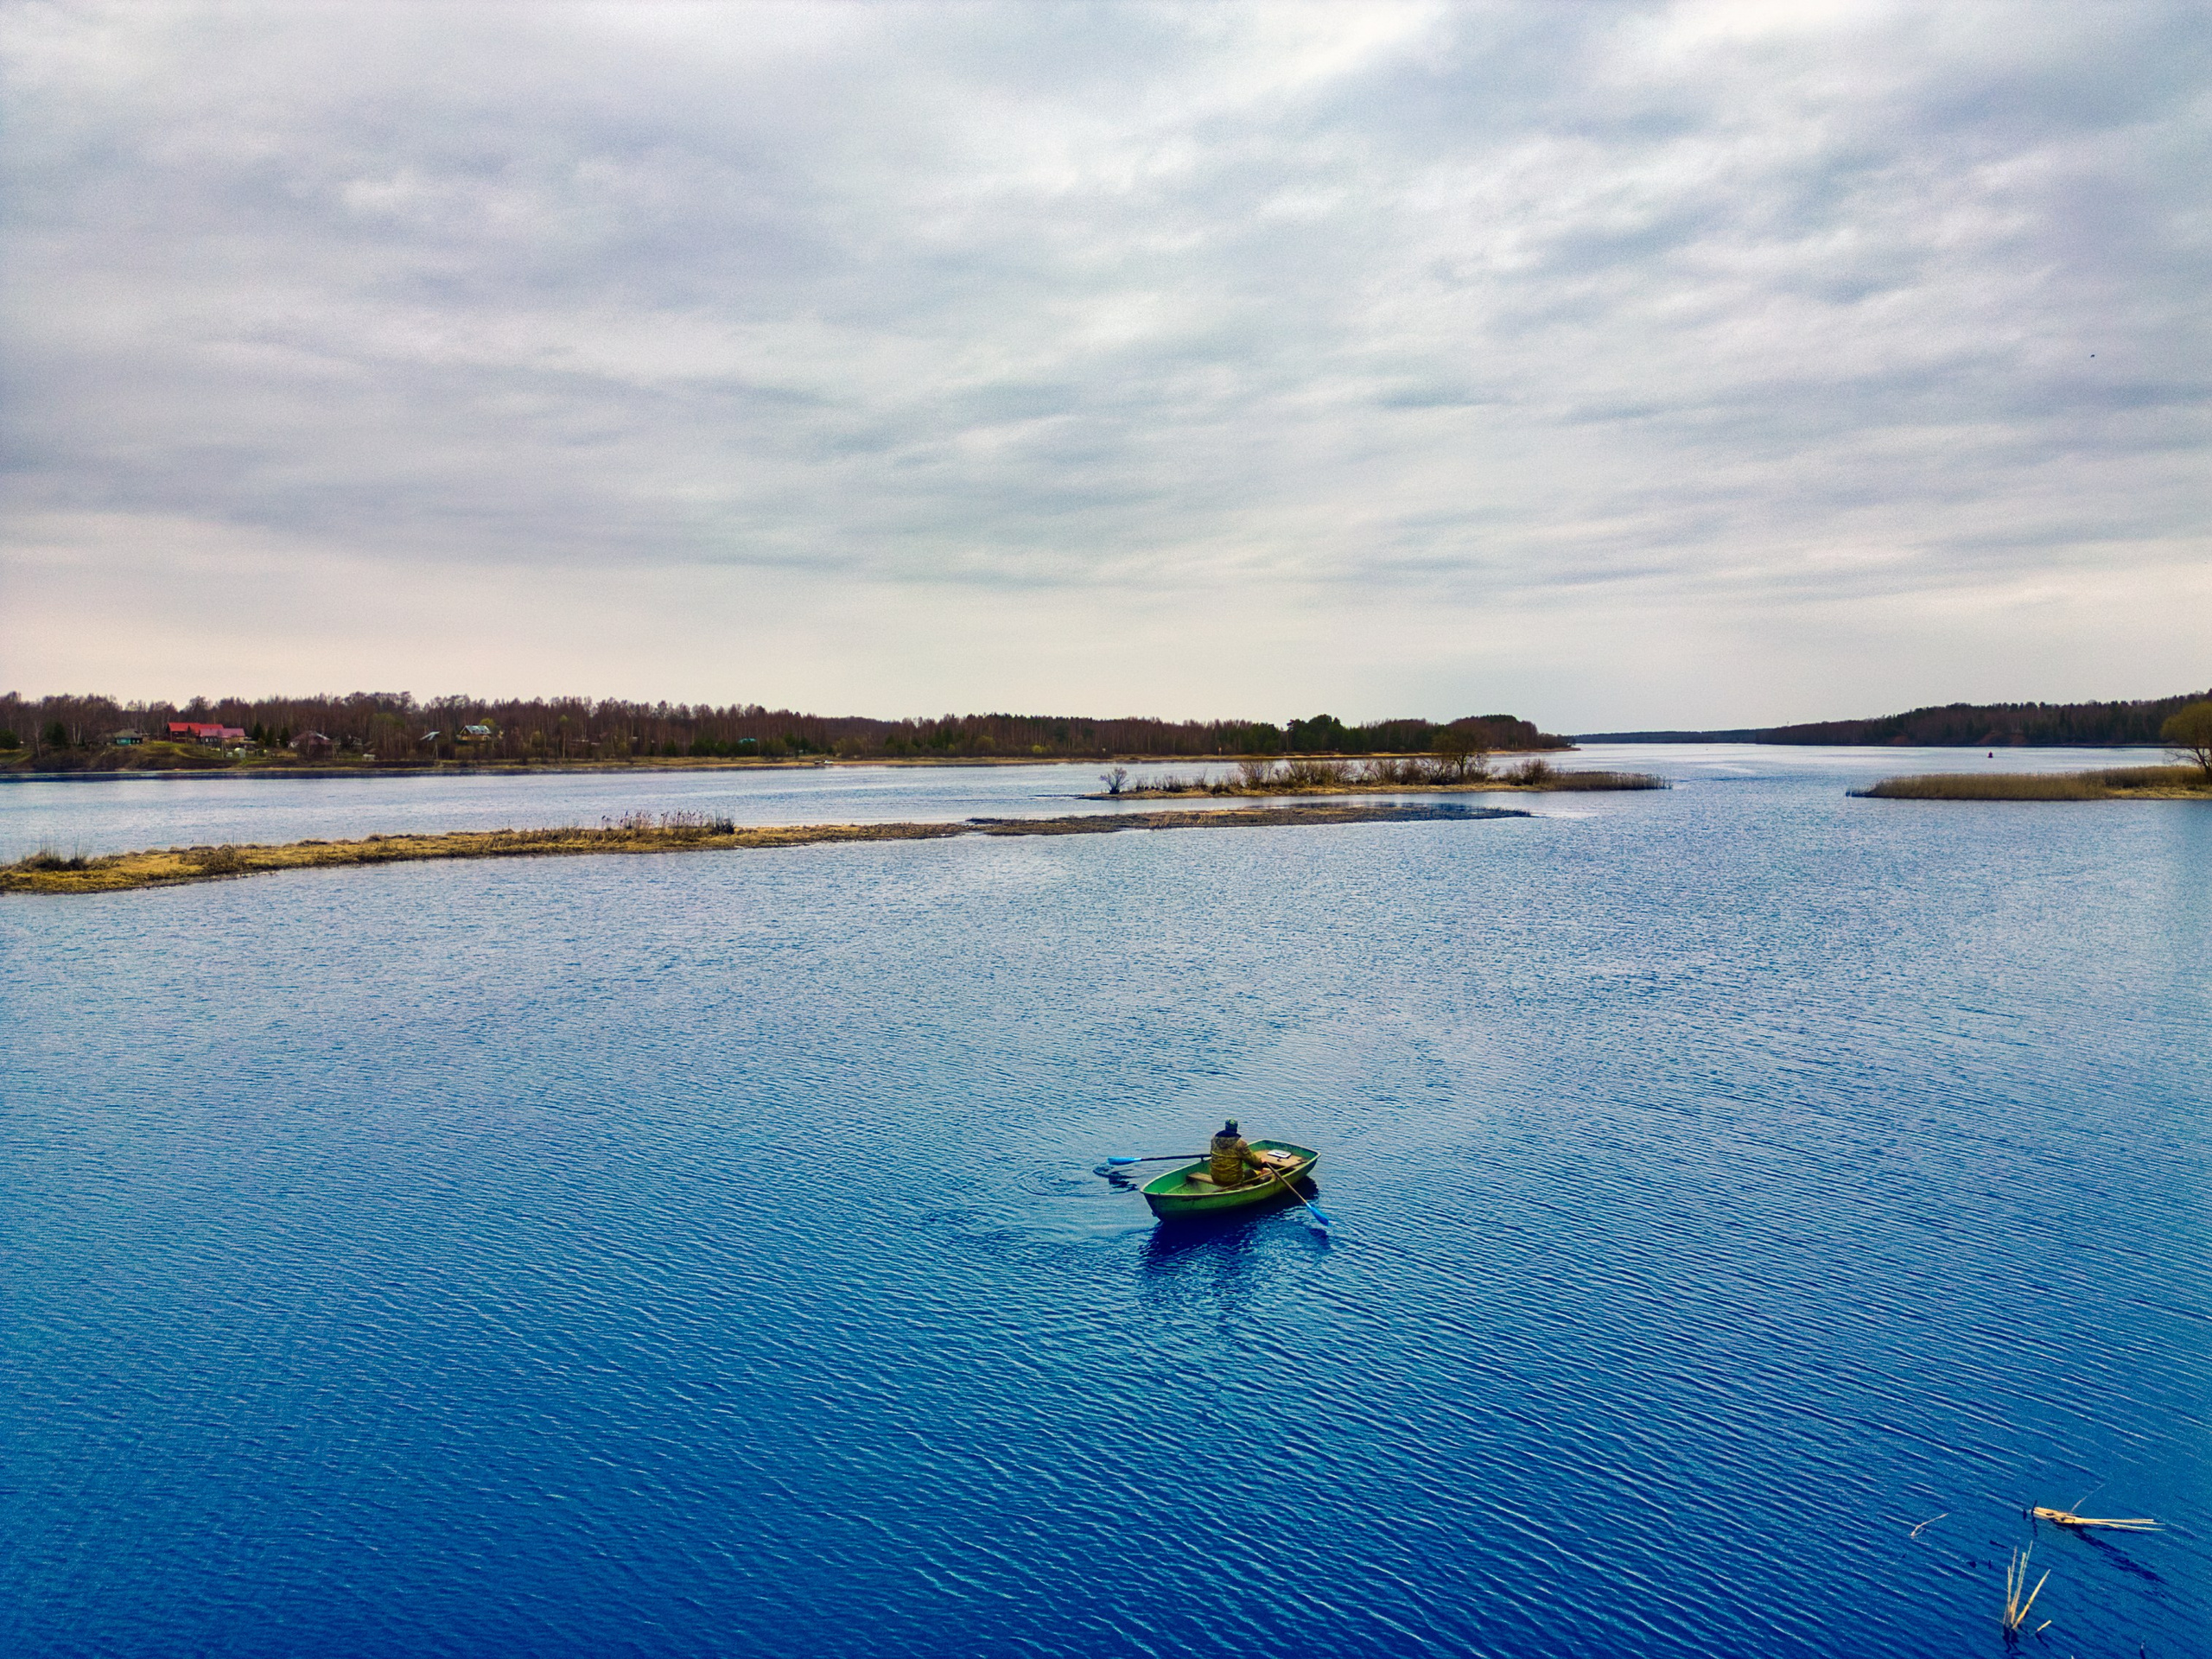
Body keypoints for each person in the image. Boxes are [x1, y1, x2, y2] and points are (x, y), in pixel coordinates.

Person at [1207, 1119, 1285, 1188]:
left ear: (1225, 1127)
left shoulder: (1214, 1140)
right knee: (1250, 1173)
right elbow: (1253, 1161)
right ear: (1236, 1129)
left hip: (1215, 1178)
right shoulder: (1240, 1144)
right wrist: (1261, 1161)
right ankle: (1261, 1183)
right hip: (1233, 1180)